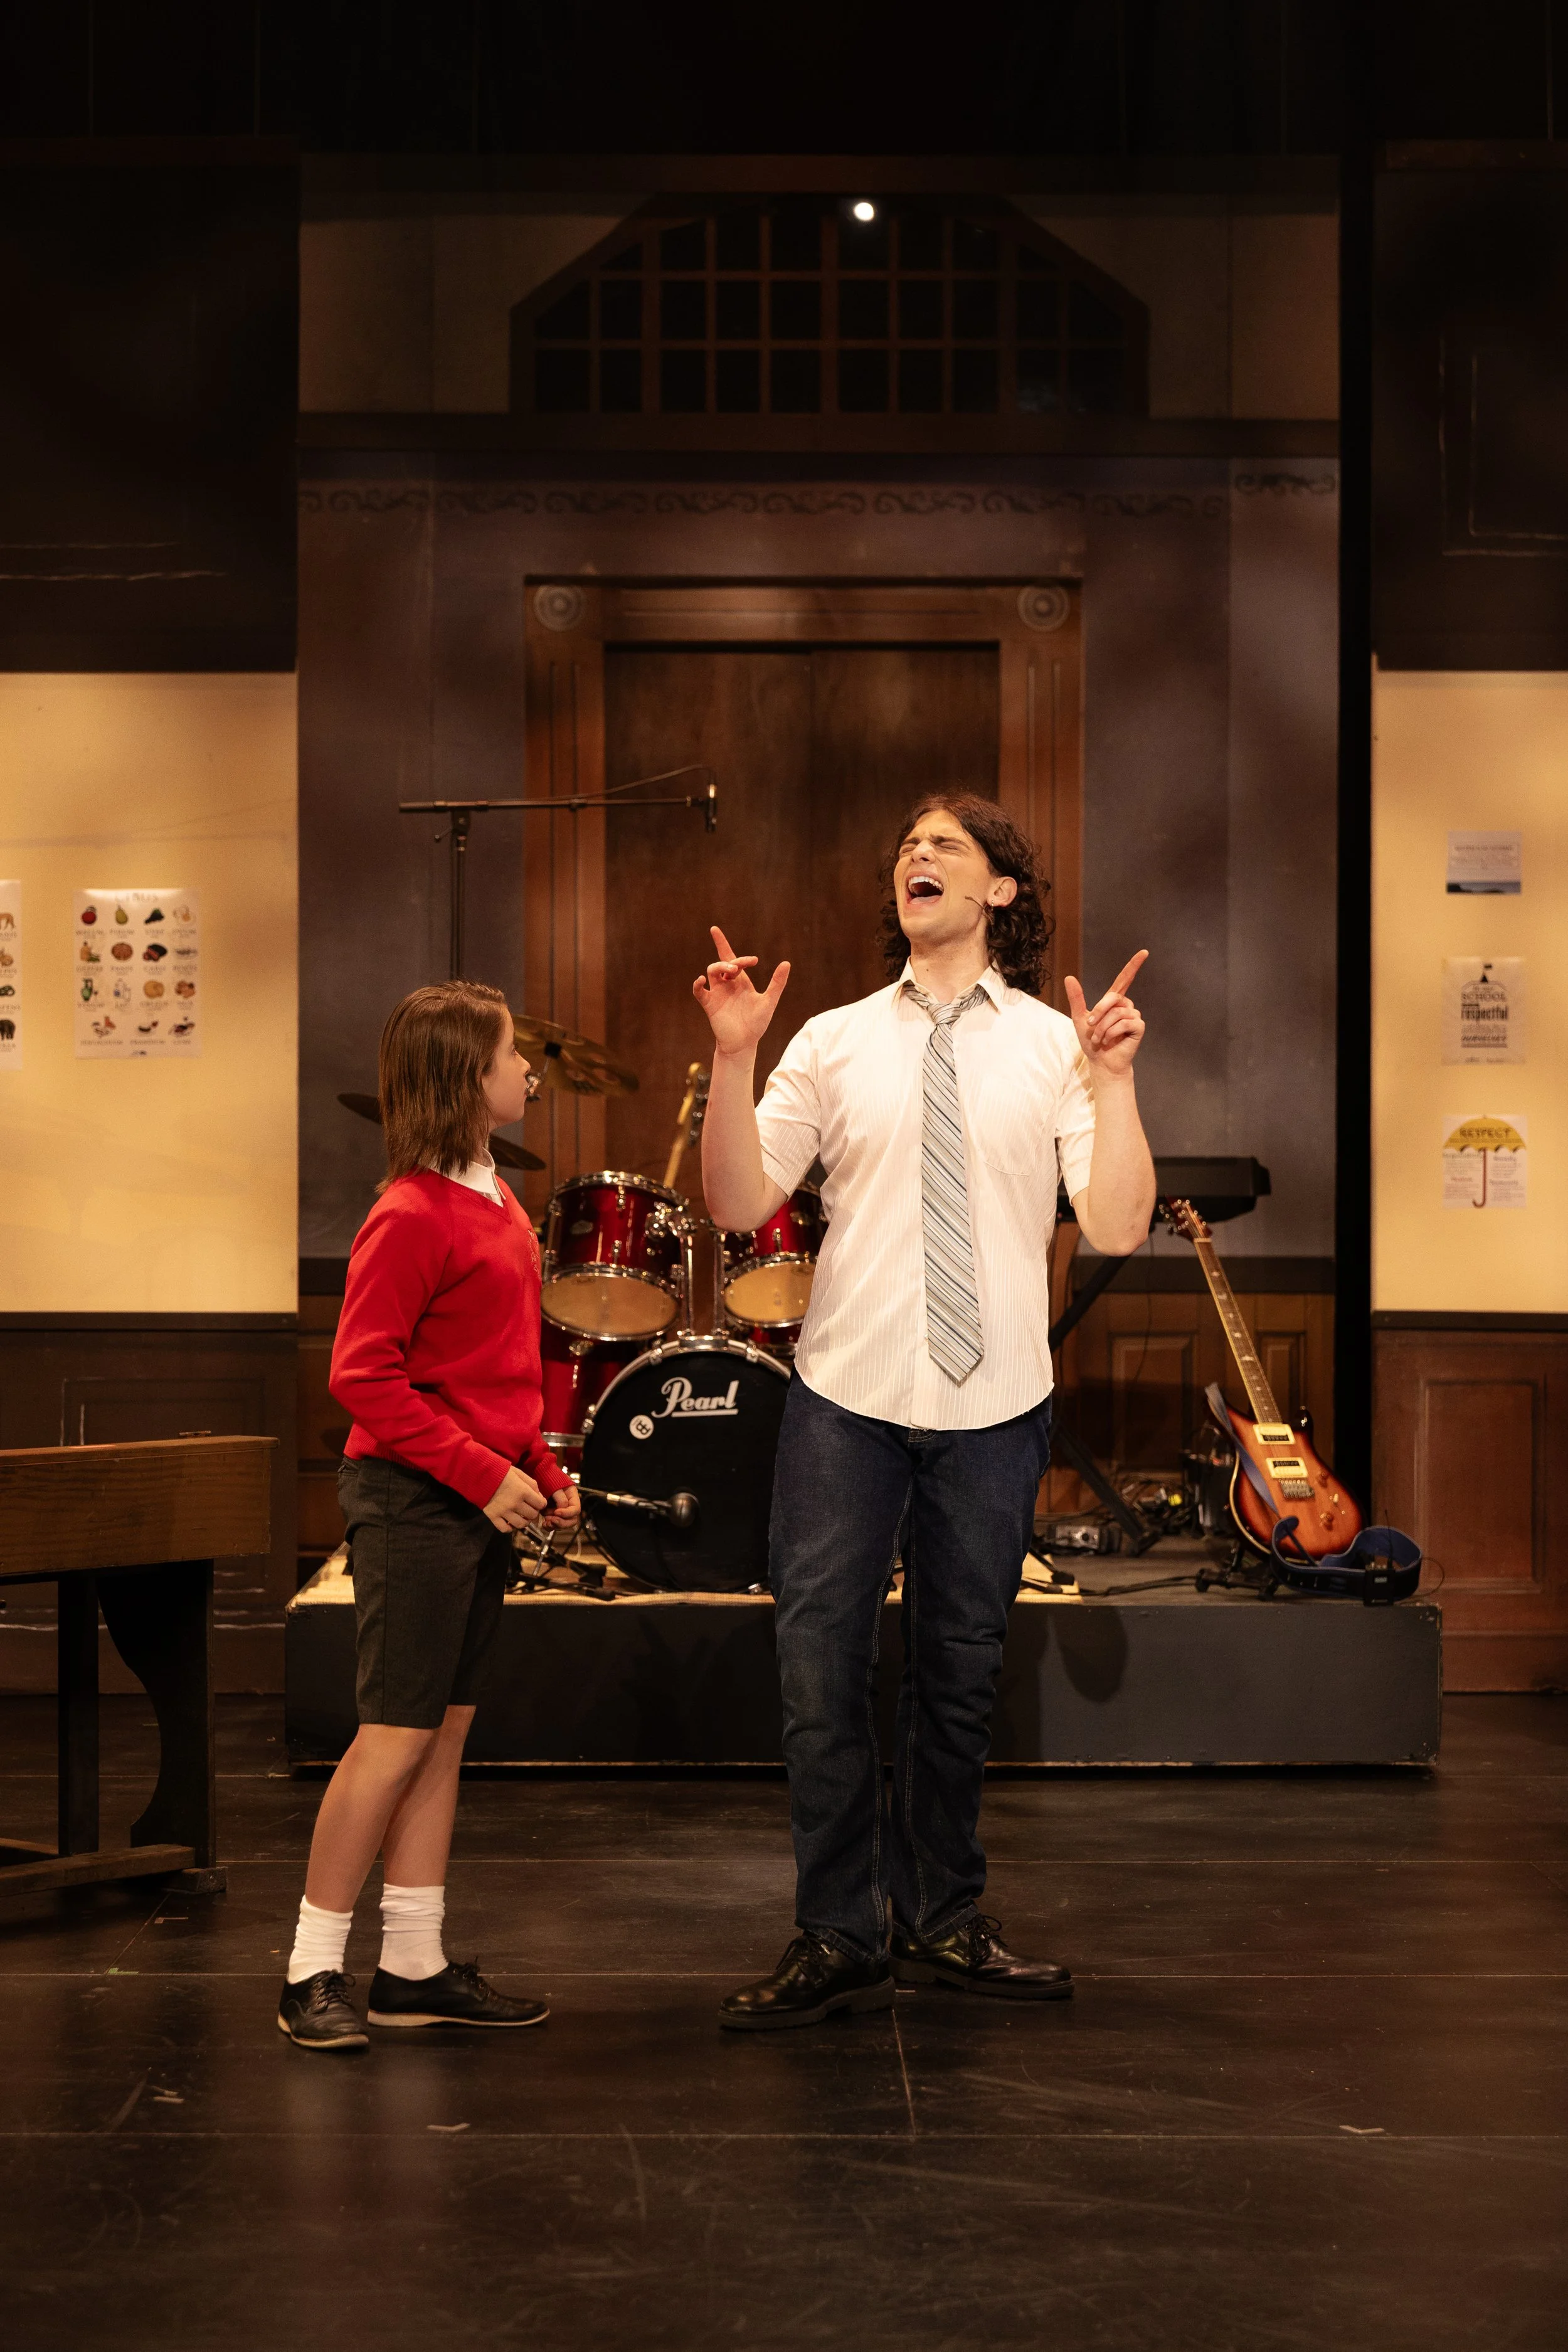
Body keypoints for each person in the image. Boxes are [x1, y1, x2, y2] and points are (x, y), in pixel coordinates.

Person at [694, 795, 1154, 2030]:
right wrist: (734, 1058)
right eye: (906, 845)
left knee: (958, 1676)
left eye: (946, 844)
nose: (917, 856)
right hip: (845, 1400)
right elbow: (736, 1204)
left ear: (1000, 890)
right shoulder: (833, 1039)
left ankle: (942, 1917)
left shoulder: (1056, 1047)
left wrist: (1115, 1080)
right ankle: (836, 1931)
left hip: (995, 1404)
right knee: (818, 1675)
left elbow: (1117, 1223)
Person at [278, 980, 580, 2050]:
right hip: (413, 1499)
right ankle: (310, 1970)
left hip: (473, 1495)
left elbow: (496, 1371)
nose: (529, 1068)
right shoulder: (408, 1212)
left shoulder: (496, 1198)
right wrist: (481, 1474)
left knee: (442, 1733)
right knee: (394, 1734)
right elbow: (362, 1377)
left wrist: (537, 1464)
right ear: (466, 1076)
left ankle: (411, 1964)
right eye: (511, 1053)